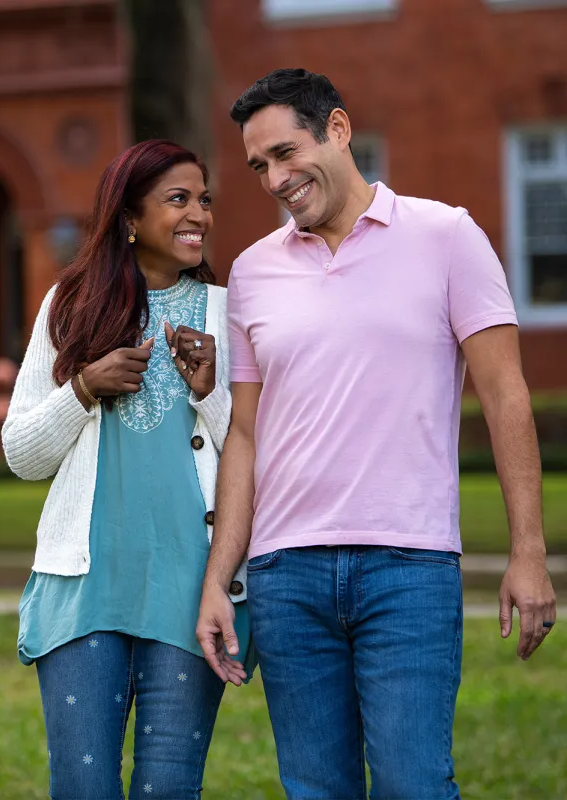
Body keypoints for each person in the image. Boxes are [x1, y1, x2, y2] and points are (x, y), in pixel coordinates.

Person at [195, 68, 557, 800]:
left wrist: (529, 552)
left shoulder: (446, 235)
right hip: (284, 575)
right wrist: (218, 578)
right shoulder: (253, 272)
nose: (275, 178)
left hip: (409, 567)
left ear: (338, 128)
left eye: (286, 152)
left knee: (414, 784)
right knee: (315, 789)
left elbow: (505, 394)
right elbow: (244, 437)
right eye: (259, 165)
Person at [2, 139, 250, 800]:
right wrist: (83, 387)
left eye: (203, 198)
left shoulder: (233, 314)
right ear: (130, 219)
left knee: (169, 790)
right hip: (84, 595)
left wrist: (209, 390)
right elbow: (21, 453)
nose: (198, 212)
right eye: (178, 199)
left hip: (192, 596)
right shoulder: (71, 306)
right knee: (83, 789)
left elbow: (264, 456)